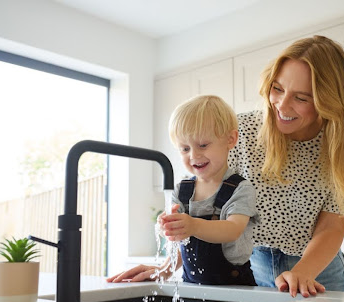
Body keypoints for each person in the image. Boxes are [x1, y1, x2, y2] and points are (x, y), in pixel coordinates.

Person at [227, 35, 344, 297]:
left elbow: (332, 225)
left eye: (301, 98)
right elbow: (209, 207)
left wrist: (304, 271)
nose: (282, 106)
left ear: (328, 101)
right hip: (251, 264)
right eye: (277, 89)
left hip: (319, 269)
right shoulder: (241, 133)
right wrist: (168, 265)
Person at [107, 95, 259, 285]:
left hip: (236, 288)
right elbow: (181, 243)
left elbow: (233, 229)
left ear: (230, 139)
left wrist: (192, 225)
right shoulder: (182, 190)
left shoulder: (241, 189)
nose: (194, 155)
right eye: (185, 149)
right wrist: (167, 240)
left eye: (203, 145)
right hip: (191, 286)